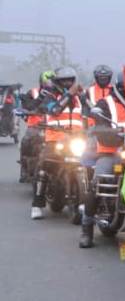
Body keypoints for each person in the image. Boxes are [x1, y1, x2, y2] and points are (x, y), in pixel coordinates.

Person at [79, 71, 125, 248]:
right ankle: (87, 229)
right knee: (98, 182)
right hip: (110, 152)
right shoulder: (106, 103)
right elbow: (99, 125)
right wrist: (111, 134)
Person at [32, 67, 86, 221]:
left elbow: (91, 112)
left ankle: (87, 202)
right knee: (43, 167)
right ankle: (37, 204)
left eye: (70, 80)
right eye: (64, 80)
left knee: (91, 165)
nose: (68, 83)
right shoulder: (49, 97)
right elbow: (55, 110)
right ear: (57, 82)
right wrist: (69, 94)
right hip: (55, 139)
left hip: (76, 139)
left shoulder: (79, 98)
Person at [18, 70, 52, 183]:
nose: (49, 84)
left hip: (53, 127)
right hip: (35, 126)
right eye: (47, 82)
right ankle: (24, 169)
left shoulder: (60, 95)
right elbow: (27, 106)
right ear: (41, 82)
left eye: (52, 82)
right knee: (25, 142)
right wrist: (39, 99)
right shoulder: (33, 92)